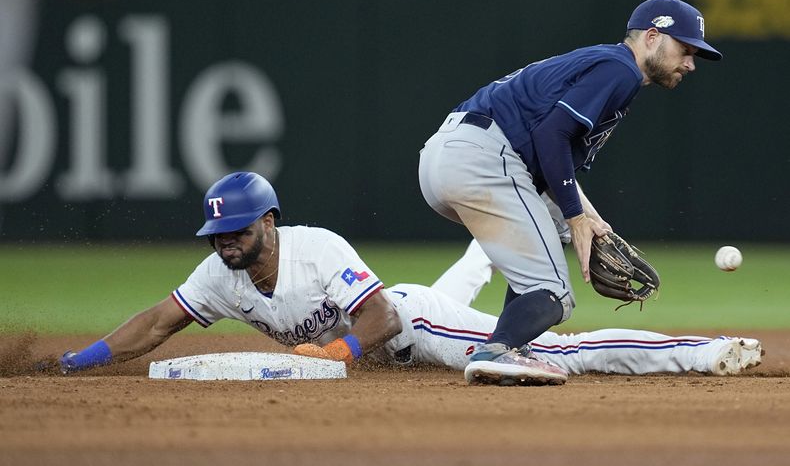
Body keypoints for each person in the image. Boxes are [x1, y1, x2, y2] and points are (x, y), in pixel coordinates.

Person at [53, 172, 762, 382]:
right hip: (400, 331)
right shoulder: (219, 272)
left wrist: (339, 354)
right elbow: (157, 319)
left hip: (410, 327)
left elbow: (385, 319)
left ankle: (702, 350)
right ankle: (522, 225)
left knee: (545, 350)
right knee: (462, 276)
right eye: (218, 234)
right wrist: (82, 357)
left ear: (269, 220)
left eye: (237, 230)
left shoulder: (315, 247)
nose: (227, 243)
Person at [417, 0, 723, 385]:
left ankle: (515, 347)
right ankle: (498, 348)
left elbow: (546, 156)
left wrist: (590, 220)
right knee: (553, 294)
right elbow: (551, 135)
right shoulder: (620, 70)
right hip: (484, 158)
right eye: (685, 49)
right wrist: (575, 219)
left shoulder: (601, 62)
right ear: (651, 36)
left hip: (448, 158)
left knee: (540, 248)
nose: (690, 63)